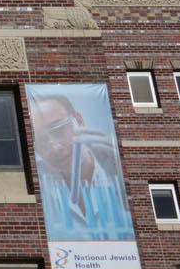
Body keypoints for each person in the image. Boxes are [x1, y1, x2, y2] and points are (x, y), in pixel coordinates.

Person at [29, 90, 134, 241]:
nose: (55, 148)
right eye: (41, 142)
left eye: (59, 130)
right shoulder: (38, 185)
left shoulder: (116, 168)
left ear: (79, 120)